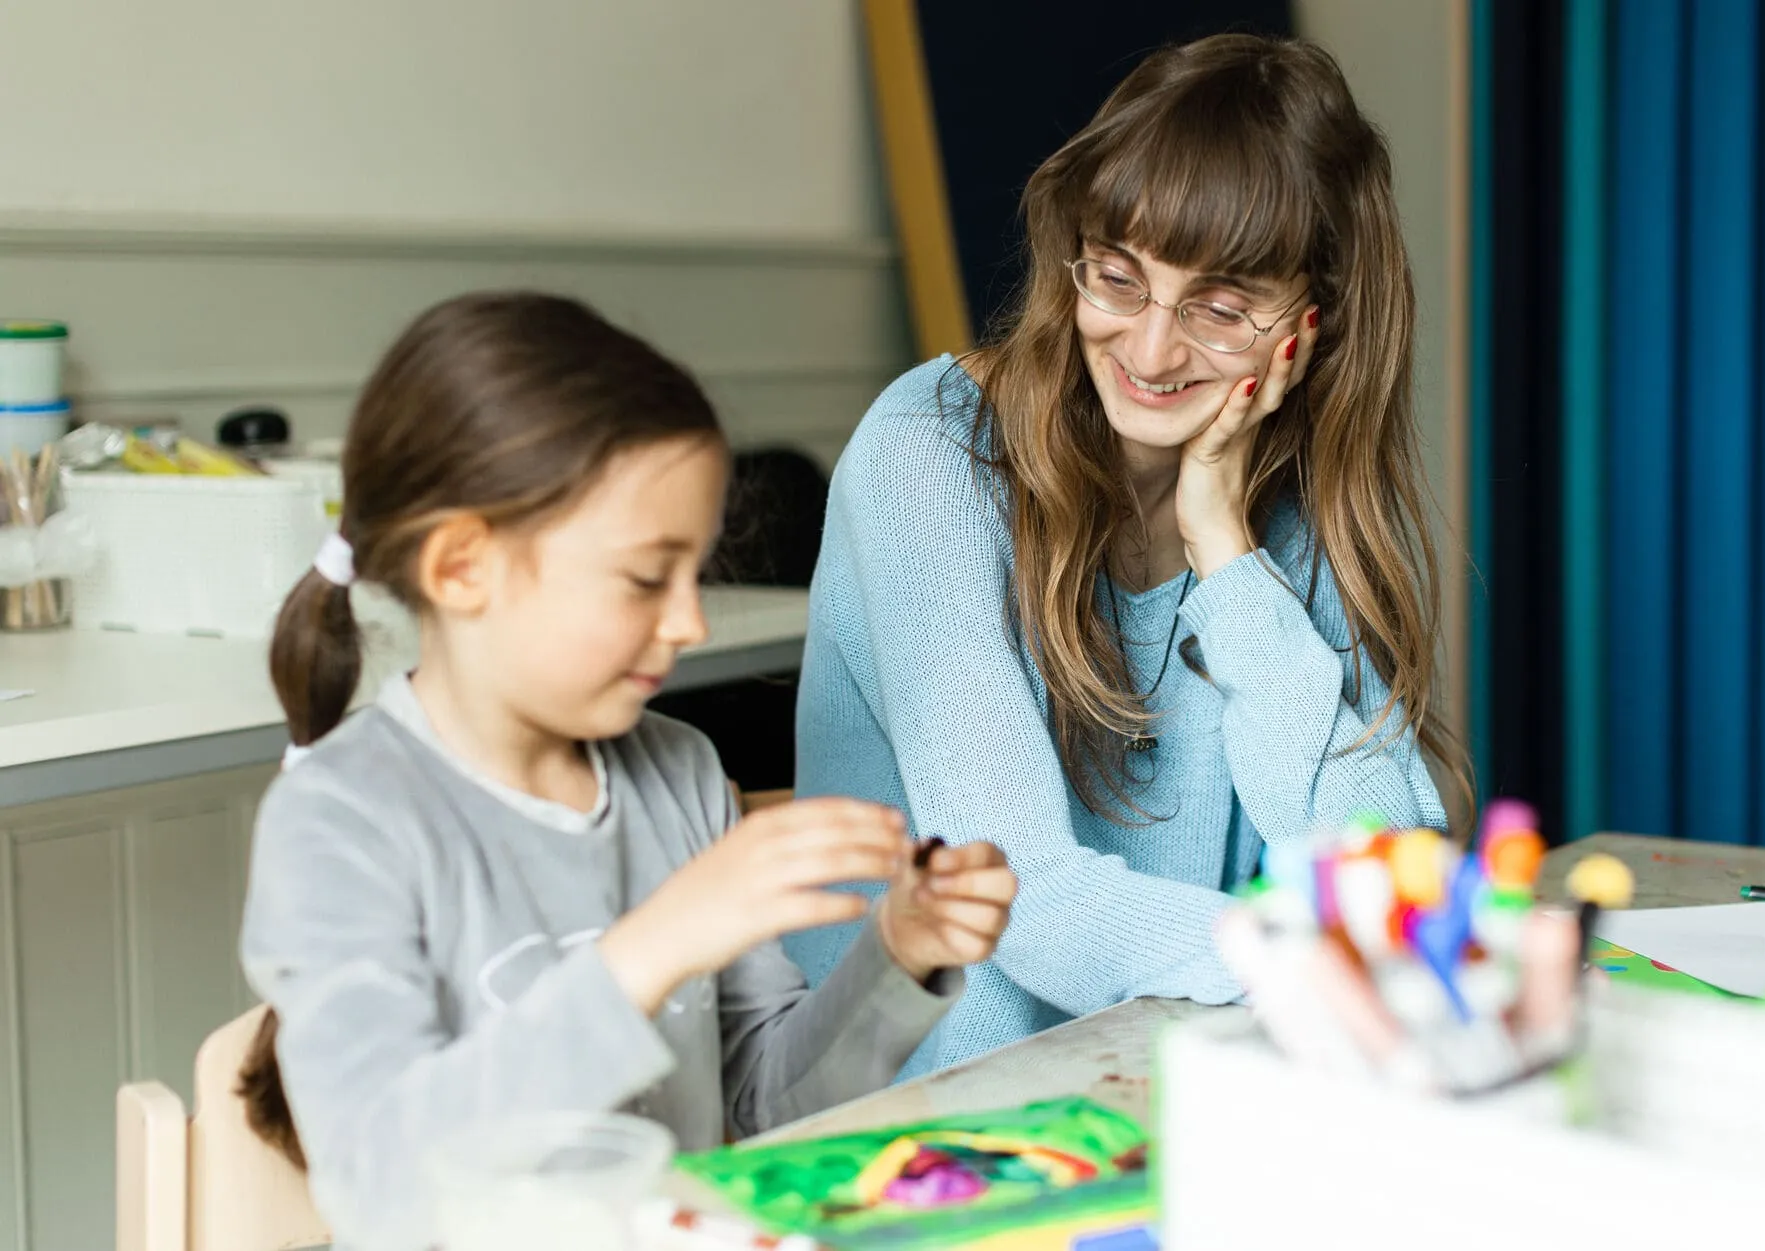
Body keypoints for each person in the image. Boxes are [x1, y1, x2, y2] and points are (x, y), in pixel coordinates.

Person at [237, 292, 1017, 1250]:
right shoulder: (340, 820)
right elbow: (386, 1189)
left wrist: (898, 956)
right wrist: (654, 945)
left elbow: (769, 1107)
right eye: (647, 579)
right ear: (461, 568)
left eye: (696, 574)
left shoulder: (678, 773)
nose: (690, 622)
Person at [785, 34, 1466, 1076]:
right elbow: (1022, 892)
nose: (1149, 352)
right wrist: (1327, 963)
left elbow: (1379, 863)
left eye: (1222, 307)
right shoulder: (927, 452)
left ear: (1307, 328)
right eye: (1117, 278)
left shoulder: (1266, 491)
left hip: (1182, 1062)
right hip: (939, 1109)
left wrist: (1226, 553)